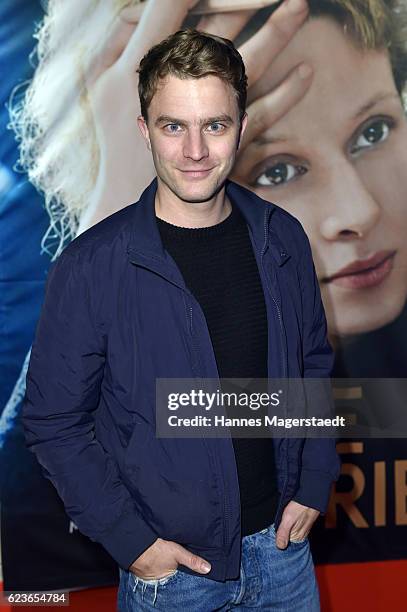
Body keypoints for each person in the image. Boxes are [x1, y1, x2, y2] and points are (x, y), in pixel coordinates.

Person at [21, 28, 340, 611]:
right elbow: (52, 423)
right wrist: (134, 543)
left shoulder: (282, 237)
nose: (195, 151)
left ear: (241, 127)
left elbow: (311, 368)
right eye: (174, 126)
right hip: (173, 578)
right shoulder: (91, 267)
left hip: (284, 550)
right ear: (145, 130)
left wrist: (315, 478)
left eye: (214, 125)